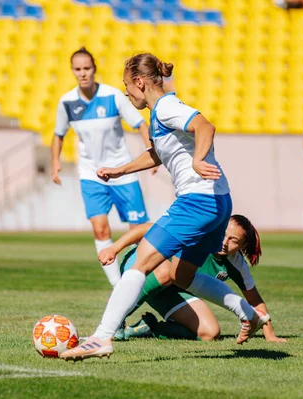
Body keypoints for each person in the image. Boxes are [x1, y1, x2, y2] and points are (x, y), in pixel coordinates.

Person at [61, 53, 269, 361]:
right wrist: (121, 171)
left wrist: (198, 160)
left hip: (198, 200)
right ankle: (247, 313)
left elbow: (205, 127)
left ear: (140, 82)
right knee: (182, 275)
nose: (126, 92)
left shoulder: (168, 107)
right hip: (217, 202)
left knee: (140, 264)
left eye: (126, 85)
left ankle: (102, 337)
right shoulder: (159, 113)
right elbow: (157, 155)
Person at [51, 47, 152, 288]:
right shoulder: (67, 102)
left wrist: (152, 153)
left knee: (138, 231)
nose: (83, 73)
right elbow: (58, 134)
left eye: (87, 68)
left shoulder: (114, 96)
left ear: (94, 69)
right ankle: (118, 286)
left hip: (122, 172)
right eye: (78, 69)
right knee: (99, 228)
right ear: (73, 71)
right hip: (91, 175)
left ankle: (141, 278)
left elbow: (140, 123)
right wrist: (55, 163)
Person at [99, 215, 286, 343]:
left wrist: (269, 334)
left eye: (234, 240)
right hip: (141, 267)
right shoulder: (199, 233)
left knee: (210, 333)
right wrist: (114, 249)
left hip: (171, 288)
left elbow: (255, 300)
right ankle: (116, 321)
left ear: (243, 246)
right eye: (223, 234)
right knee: (167, 270)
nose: (224, 242)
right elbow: (148, 228)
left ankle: (152, 328)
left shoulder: (236, 264)